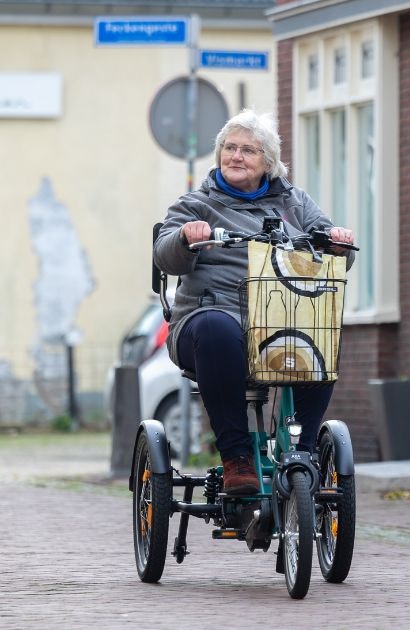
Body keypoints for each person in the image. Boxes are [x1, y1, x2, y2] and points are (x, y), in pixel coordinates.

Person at [153, 109, 355, 495]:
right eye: (229, 148)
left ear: (269, 162)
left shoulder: (295, 203)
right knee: (217, 328)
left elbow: (335, 254)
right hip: (210, 317)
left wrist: (337, 241)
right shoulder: (196, 203)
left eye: (248, 150)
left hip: (281, 319)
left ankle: (304, 450)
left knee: (320, 335)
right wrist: (184, 238)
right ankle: (237, 457)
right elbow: (164, 253)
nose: (236, 156)